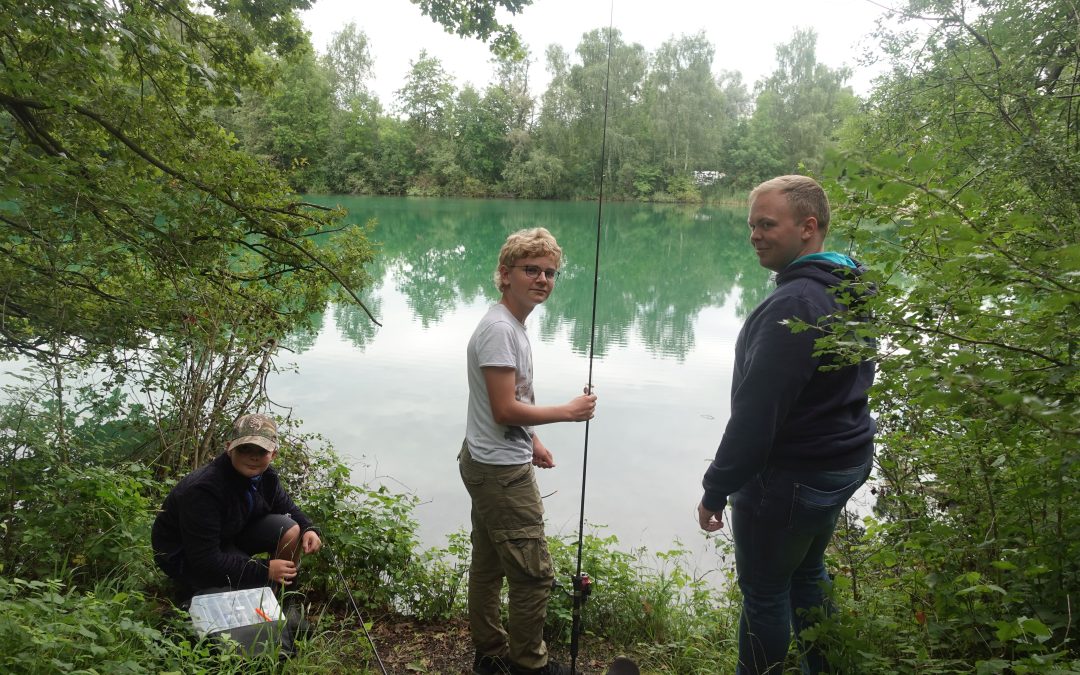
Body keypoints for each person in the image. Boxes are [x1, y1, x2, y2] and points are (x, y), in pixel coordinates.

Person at [696, 175, 876, 674]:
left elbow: (757, 417)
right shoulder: (848, 285)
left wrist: (716, 489)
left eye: (767, 224)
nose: (754, 234)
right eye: (752, 224)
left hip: (793, 475)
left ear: (808, 227)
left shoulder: (796, 304)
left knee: (764, 592)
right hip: (841, 461)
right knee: (808, 573)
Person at [461, 227, 597, 675]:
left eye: (550, 272)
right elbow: (503, 409)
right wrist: (568, 412)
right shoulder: (501, 330)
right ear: (505, 274)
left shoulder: (510, 324)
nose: (542, 279)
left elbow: (506, 401)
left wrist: (533, 438)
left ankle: (490, 653)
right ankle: (528, 664)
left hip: (486, 459)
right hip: (500, 472)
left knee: (488, 563)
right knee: (533, 574)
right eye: (531, 270)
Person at [152, 413, 322, 603]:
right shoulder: (203, 490)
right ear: (229, 449)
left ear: (273, 454)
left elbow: (287, 506)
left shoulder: (266, 477)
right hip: (185, 557)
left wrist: (309, 529)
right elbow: (204, 560)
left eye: (261, 451)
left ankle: (283, 603)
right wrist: (265, 570)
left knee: (291, 528)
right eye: (244, 449)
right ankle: (192, 592)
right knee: (256, 588)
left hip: (226, 536)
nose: (253, 457)